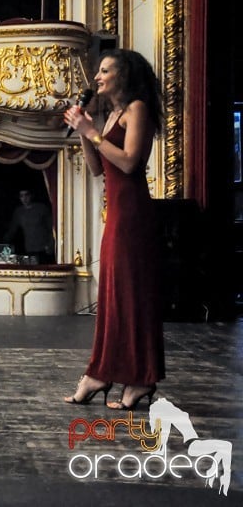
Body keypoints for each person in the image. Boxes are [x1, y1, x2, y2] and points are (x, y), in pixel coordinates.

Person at [62, 48, 166, 410]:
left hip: (133, 214)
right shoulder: (113, 115)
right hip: (116, 214)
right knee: (112, 296)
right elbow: (96, 168)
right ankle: (102, 373)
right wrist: (82, 129)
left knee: (129, 296)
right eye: (99, 71)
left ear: (124, 75)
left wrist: (91, 130)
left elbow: (127, 162)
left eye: (105, 70)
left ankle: (138, 379)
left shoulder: (137, 109)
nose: (98, 77)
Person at [3, 189, 56, 264]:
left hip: (44, 249)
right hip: (29, 250)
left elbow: (51, 228)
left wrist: (51, 244)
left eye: (26, 195)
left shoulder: (41, 208)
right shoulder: (19, 212)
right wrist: (2, 242)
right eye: (21, 196)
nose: (24, 198)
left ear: (31, 195)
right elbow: (12, 230)